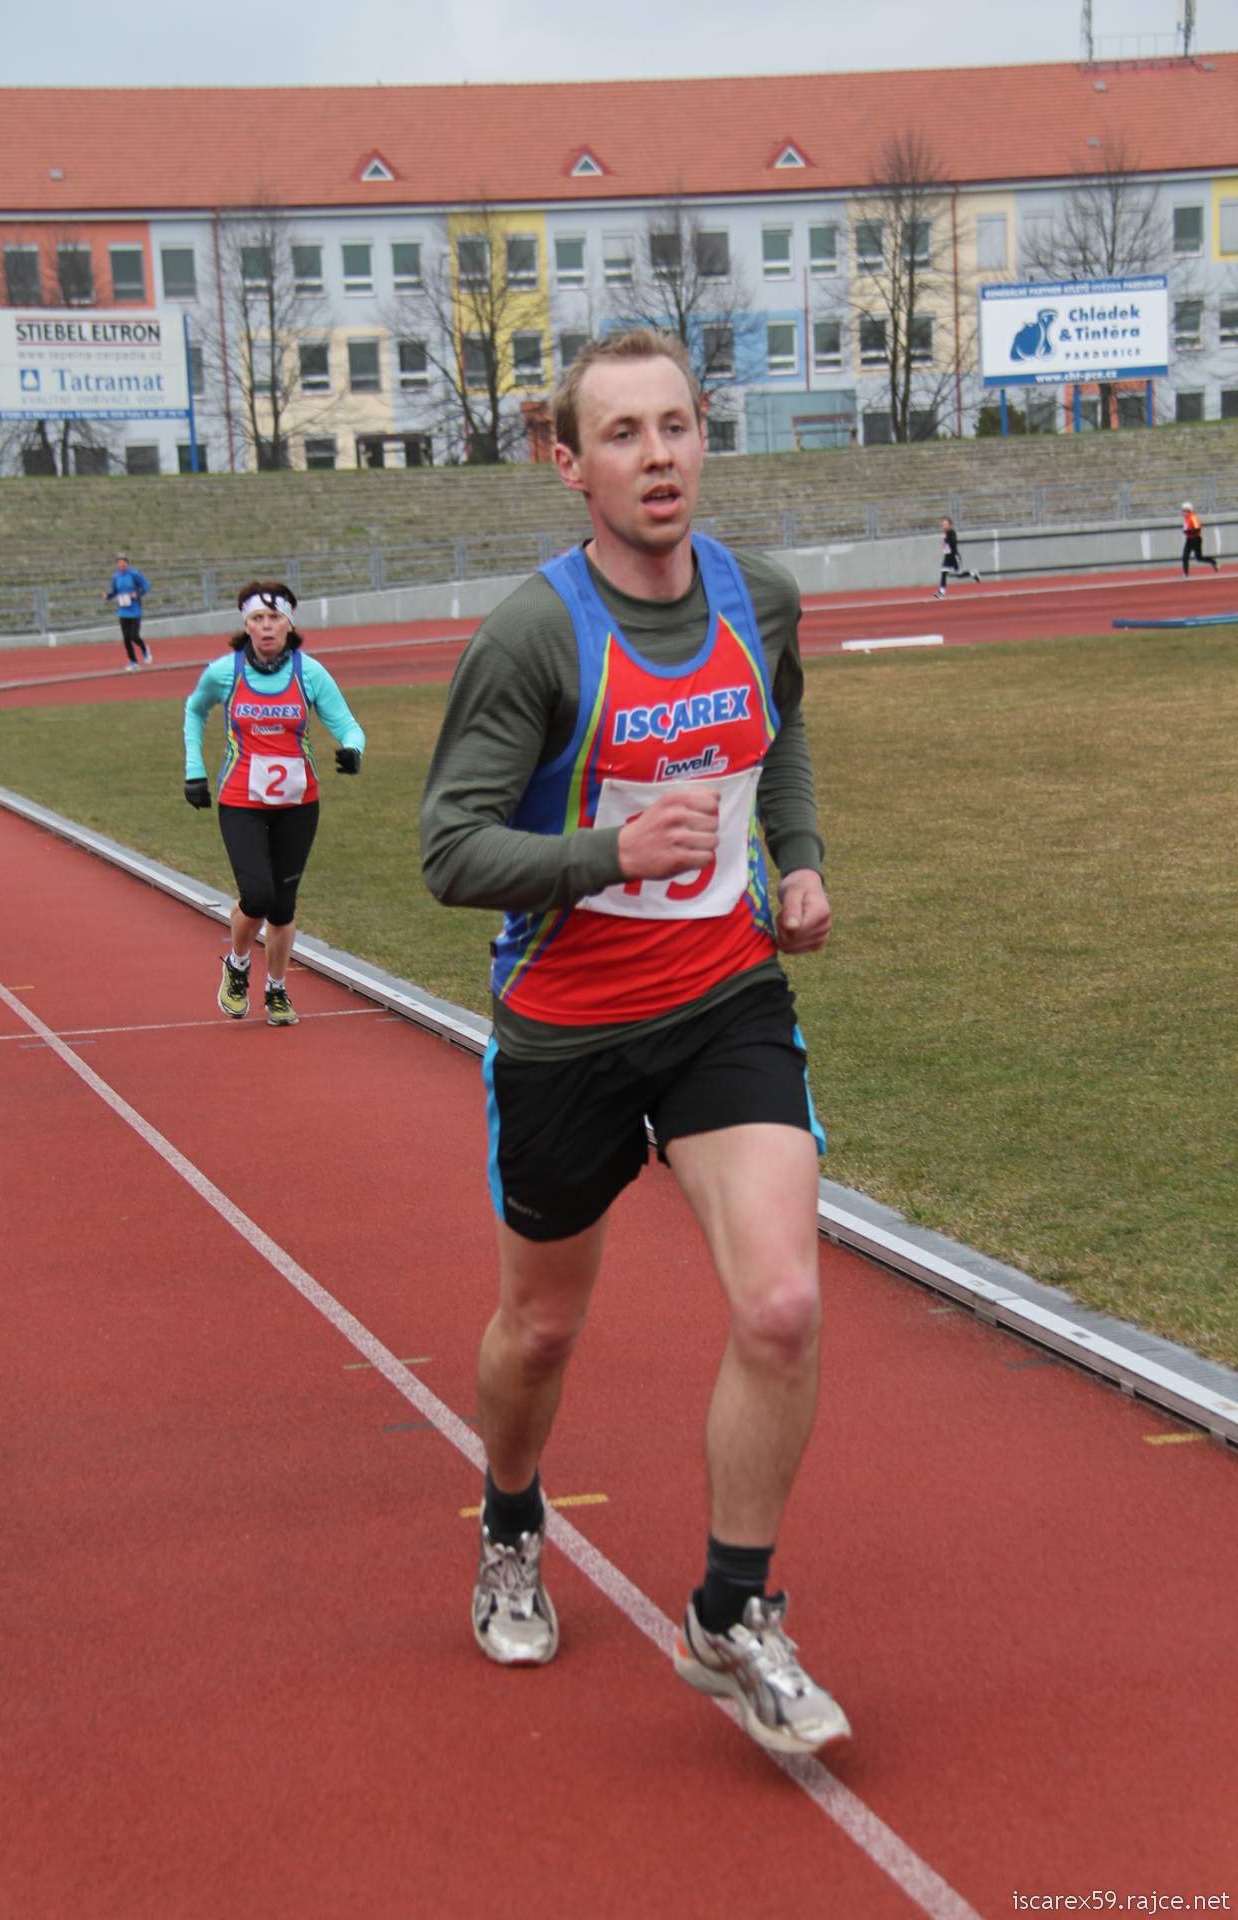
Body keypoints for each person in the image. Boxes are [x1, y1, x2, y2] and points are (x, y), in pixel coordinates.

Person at [419, 329, 850, 1759]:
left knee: (780, 1306)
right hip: (567, 1032)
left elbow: (780, 732)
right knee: (541, 1327)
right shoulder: (532, 639)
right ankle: (509, 1520)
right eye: (621, 434)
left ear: (704, 438)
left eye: (676, 426)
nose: (656, 456)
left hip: (723, 1002)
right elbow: (449, 850)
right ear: (568, 462)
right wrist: (609, 852)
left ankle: (731, 1612)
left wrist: (795, 857)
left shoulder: (756, 595)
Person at [182, 581, 365, 1027]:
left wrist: (353, 749)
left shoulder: (309, 673)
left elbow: (348, 724)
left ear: (289, 624)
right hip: (241, 800)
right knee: (258, 896)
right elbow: (194, 710)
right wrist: (194, 770)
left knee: (283, 907)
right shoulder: (224, 672)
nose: (266, 627)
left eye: (274, 618)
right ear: (246, 625)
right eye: (257, 619)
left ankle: (277, 989)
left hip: (298, 804)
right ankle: (238, 965)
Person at [105, 552, 153, 669]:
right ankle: (133, 661)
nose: (121, 565)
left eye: (123, 563)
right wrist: (108, 596)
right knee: (126, 639)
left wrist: (137, 594)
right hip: (123, 611)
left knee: (134, 636)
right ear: (117, 565)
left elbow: (146, 585)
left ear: (127, 563)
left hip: (135, 610)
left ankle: (144, 649)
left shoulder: (134, 574)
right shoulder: (116, 577)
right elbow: (115, 592)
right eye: (119, 563)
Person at [934, 517, 980, 598]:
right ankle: (941, 593)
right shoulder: (945, 533)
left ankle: (972, 573)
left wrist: (947, 541)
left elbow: (953, 542)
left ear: (949, 525)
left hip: (954, 557)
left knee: (959, 575)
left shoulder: (952, 532)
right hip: (947, 557)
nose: (943, 526)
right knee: (943, 573)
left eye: (945, 524)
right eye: (943, 524)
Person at [1180, 502, 1220, 577]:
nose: (1182, 512)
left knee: (1198, 557)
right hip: (1189, 539)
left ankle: (1213, 561)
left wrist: (1188, 532)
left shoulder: (1193, 517)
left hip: (1196, 539)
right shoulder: (1187, 518)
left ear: (1188, 510)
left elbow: (1197, 528)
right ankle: (1185, 573)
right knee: (1185, 556)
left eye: (1184, 510)